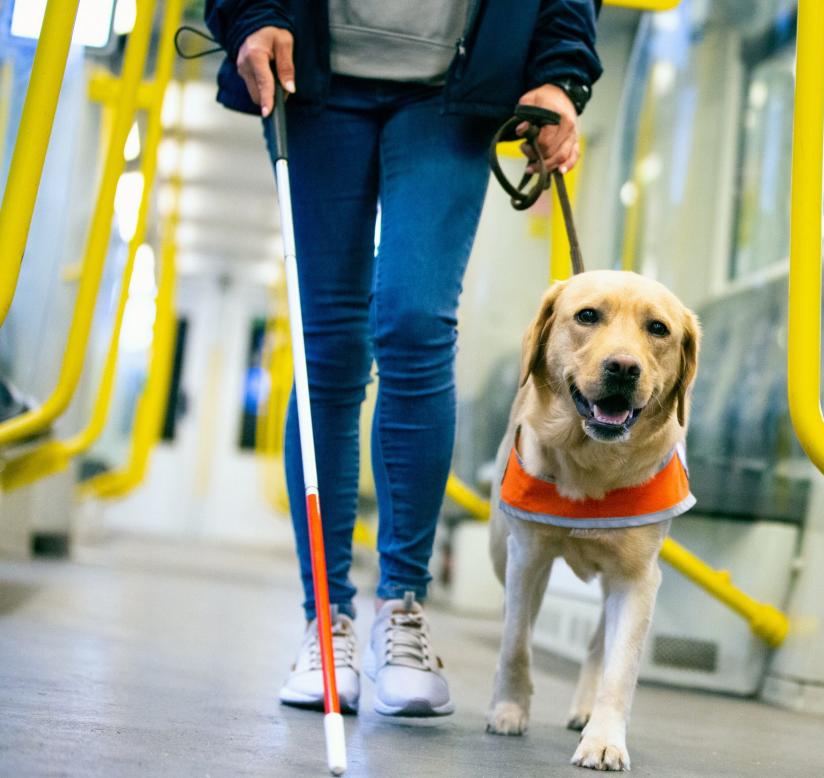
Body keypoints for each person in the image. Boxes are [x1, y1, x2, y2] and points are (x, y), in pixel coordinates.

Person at [204, 0, 602, 717]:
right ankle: (325, 622)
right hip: (309, 72)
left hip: (455, 83)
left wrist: (558, 76)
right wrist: (252, 14)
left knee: (416, 322)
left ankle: (402, 605)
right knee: (327, 343)